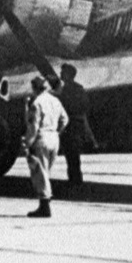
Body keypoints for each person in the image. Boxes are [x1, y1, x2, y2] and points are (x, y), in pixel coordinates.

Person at [23, 75, 67, 218]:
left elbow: (33, 127)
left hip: (41, 138)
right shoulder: (55, 101)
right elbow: (65, 119)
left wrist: (27, 143)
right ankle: (45, 204)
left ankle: (44, 207)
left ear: (35, 87)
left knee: (39, 172)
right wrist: (56, 132)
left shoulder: (37, 103)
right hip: (54, 138)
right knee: (46, 172)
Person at [57, 64, 93, 186]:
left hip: (72, 124)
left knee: (72, 153)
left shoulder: (69, 90)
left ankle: (75, 180)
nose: (61, 74)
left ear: (68, 74)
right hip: (73, 124)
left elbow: (83, 106)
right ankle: (74, 179)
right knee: (71, 154)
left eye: (63, 72)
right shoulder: (75, 89)